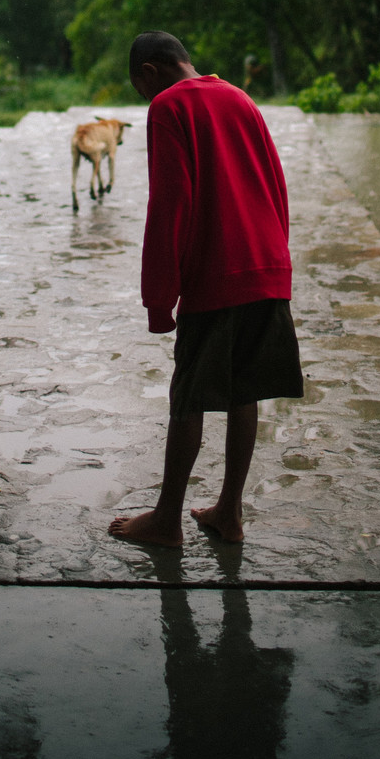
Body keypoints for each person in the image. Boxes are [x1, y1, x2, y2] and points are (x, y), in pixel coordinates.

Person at [108, 30, 303, 548]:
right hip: (265, 265)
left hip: (216, 274)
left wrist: (159, 296)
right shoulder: (240, 97)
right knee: (246, 390)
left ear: (150, 71)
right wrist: (276, 261)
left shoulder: (169, 107)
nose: (146, 98)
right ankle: (229, 512)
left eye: (141, 88)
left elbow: (170, 205)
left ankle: (167, 518)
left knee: (189, 397)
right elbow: (275, 184)